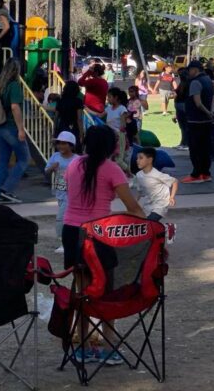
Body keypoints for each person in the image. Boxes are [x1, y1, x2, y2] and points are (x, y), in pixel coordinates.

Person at [62, 125, 145, 365]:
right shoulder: (112, 170)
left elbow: (72, 194)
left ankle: (84, 345)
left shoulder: (74, 165)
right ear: (112, 147)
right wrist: (150, 225)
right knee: (108, 288)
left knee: (82, 289)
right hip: (99, 233)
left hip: (72, 231)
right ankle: (109, 346)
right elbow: (132, 207)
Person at [0, 59, 29, 204]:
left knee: (3, 161)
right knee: (24, 159)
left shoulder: (0, 86)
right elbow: (15, 107)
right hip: (11, 127)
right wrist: (20, 129)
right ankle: (6, 189)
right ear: (16, 71)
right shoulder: (14, 86)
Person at [182, 60, 214, 184]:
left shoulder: (195, 82)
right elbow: (212, 99)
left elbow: (198, 102)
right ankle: (206, 173)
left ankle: (196, 174)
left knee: (195, 148)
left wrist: (207, 112)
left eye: (189, 70)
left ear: (195, 70)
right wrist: (211, 114)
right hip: (207, 122)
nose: (188, 73)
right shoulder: (208, 81)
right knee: (206, 148)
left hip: (195, 120)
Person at [45, 131, 77, 254]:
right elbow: (47, 171)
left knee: (61, 218)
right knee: (68, 218)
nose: (61, 146)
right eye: (59, 143)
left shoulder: (77, 159)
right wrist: (52, 168)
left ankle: (63, 243)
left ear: (71, 145)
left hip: (73, 193)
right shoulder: (55, 157)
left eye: (64, 143)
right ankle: (71, 241)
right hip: (60, 192)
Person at [132, 147, 178, 220]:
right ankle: (165, 229)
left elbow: (174, 181)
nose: (137, 160)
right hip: (148, 205)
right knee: (145, 224)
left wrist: (171, 197)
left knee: (151, 221)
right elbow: (139, 191)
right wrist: (134, 202)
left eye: (141, 158)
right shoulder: (139, 175)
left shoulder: (157, 175)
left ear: (150, 160)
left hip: (161, 205)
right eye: (137, 158)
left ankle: (164, 228)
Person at [54, 80, 85, 148]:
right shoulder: (78, 101)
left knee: (62, 149)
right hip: (74, 127)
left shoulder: (60, 101)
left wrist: (54, 131)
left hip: (62, 127)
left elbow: (56, 117)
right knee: (74, 149)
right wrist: (81, 133)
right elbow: (79, 118)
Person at [172, 67, 189, 150]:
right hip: (180, 106)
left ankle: (186, 143)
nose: (179, 75)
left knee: (185, 126)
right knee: (182, 126)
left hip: (184, 106)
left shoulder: (187, 84)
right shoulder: (182, 83)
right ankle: (183, 142)